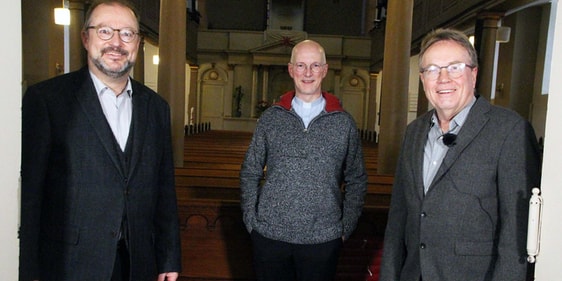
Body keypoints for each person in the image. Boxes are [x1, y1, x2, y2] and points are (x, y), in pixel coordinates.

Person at [19, 1, 181, 280]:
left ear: (138, 43)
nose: (116, 42)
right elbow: (32, 194)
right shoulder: (47, 100)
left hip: (136, 263)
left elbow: (164, 188)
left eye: (127, 34)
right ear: (86, 37)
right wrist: (28, 270)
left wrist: (169, 258)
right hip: (69, 263)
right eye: (105, 31)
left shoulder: (156, 107)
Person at [379, 28, 542, 281]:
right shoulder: (414, 132)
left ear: (473, 73)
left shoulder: (510, 130)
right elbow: (398, 217)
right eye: (432, 70)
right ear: (423, 80)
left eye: (454, 67)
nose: (443, 78)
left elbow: (517, 230)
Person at [239, 40, 368, 281]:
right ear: (291, 70)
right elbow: (250, 170)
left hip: (322, 240)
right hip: (270, 237)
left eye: (314, 65)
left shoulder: (343, 123)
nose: (307, 73)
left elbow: (357, 179)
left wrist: (344, 228)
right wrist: (251, 220)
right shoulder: (271, 118)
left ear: (324, 70)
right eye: (301, 65)